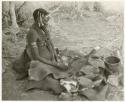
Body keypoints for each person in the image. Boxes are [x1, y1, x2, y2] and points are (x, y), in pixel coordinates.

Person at [13, 8, 69, 94]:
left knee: (65, 65)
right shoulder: (32, 33)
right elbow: (36, 57)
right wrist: (56, 64)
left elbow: (50, 44)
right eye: (45, 18)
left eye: (47, 18)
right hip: (38, 61)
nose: (47, 21)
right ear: (38, 19)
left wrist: (55, 58)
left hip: (49, 60)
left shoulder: (43, 29)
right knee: (45, 73)